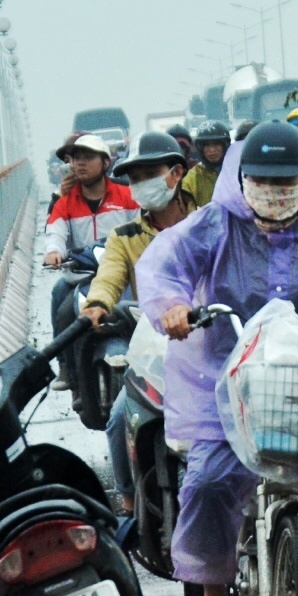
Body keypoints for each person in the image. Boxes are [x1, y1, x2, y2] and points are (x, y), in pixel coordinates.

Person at [134, 120, 298, 596]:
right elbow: (166, 264)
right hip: (224, 382)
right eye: (263, 184)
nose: (274, 194)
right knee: (207, 481)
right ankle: (211, 595)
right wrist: (174, 308)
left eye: (286, 183)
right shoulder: (214, 225)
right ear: (242, 179)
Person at [78, 132, 198, 514]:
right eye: (134, 177)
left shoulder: (208, 222)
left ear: (176, 173)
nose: (141, 184)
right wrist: (97, 304)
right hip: (154, 348)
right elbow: (110, 277)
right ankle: (128, 502)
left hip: (210, 343)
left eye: (150, 172)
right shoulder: (125, 237)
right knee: (118, 418)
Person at [41, 133, 136, 388]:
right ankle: (66, 367)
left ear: (106, 163)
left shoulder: (127, 196)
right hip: (81, 277)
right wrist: (54, 252)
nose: (80, 164)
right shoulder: (65, 203)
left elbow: (147, 224)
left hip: (125, 275)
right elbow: (55, 233)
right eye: (75, 159)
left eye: (88, 157)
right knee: (61, 302)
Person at [183, 121, 230, 208]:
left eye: (216, 144)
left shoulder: (236, 171)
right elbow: (185, 206)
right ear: (200, 148)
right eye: (207, 145)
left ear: (225, 145)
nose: (212, 150)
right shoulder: (194, 177)